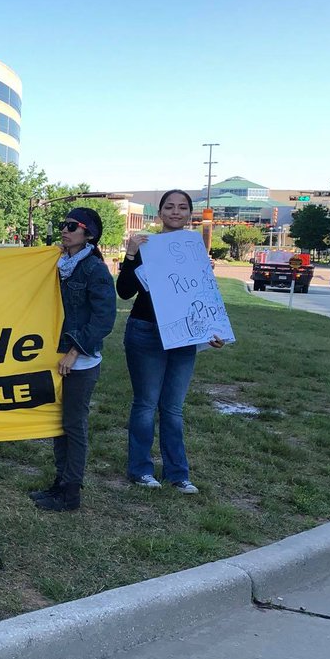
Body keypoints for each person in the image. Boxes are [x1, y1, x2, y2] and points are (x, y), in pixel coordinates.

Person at [117, 189, 224, 493]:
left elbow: (202, 296)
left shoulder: (195, 249)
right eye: (169, 206)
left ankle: (178, 474)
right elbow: (124, 292)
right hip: (146, 332)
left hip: (184, 335)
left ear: (189, 213)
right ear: (160, 212)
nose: (175, 211)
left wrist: (213, 332)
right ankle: (140, 470)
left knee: (173, 408)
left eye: (182, 207)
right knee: (146, 404)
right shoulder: (147, 246)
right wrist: (130, 254)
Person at [31, 207, 116, 512]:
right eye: (62, 224)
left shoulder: (94, 270)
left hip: (79, 361)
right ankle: (60, 482)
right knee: (60, 424)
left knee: (74, 425)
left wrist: (75, 350)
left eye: (71, 226)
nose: (64, 230)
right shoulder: (60, 264)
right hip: (56, 357)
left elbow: (104, 319)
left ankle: (71, 492)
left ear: (88, 234)